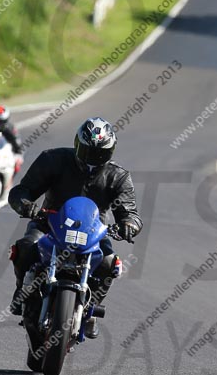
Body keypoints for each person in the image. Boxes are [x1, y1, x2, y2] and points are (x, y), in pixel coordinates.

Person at [8, 117, 142, 338]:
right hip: (49, 222)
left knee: (110, 263)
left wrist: (128, 225)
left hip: (94, 231)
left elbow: (130, 212)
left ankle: (91, 310)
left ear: (110, 152)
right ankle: (22, 289)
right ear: (77, 144)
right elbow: (22, 190)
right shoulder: (53, 159)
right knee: (25, 246)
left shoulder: (118, 176)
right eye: (87, 151)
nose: (92, 159)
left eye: (99, 154)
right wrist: (26, 205)